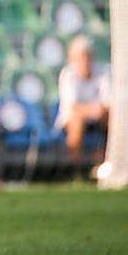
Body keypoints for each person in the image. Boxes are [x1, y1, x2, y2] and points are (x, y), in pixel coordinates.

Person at [55, 36, 110, 166]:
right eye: (81, 57)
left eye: (88, 56)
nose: (85, 61)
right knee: (77, 120)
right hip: (72, 120)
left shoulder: (103, 72)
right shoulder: (68, 75)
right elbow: (73, 107)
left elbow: (108, 102)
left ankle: (108, 163)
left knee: (112, 117)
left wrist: (98, 110)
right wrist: (93, 110)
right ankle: (75, 168)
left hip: (98, 117)